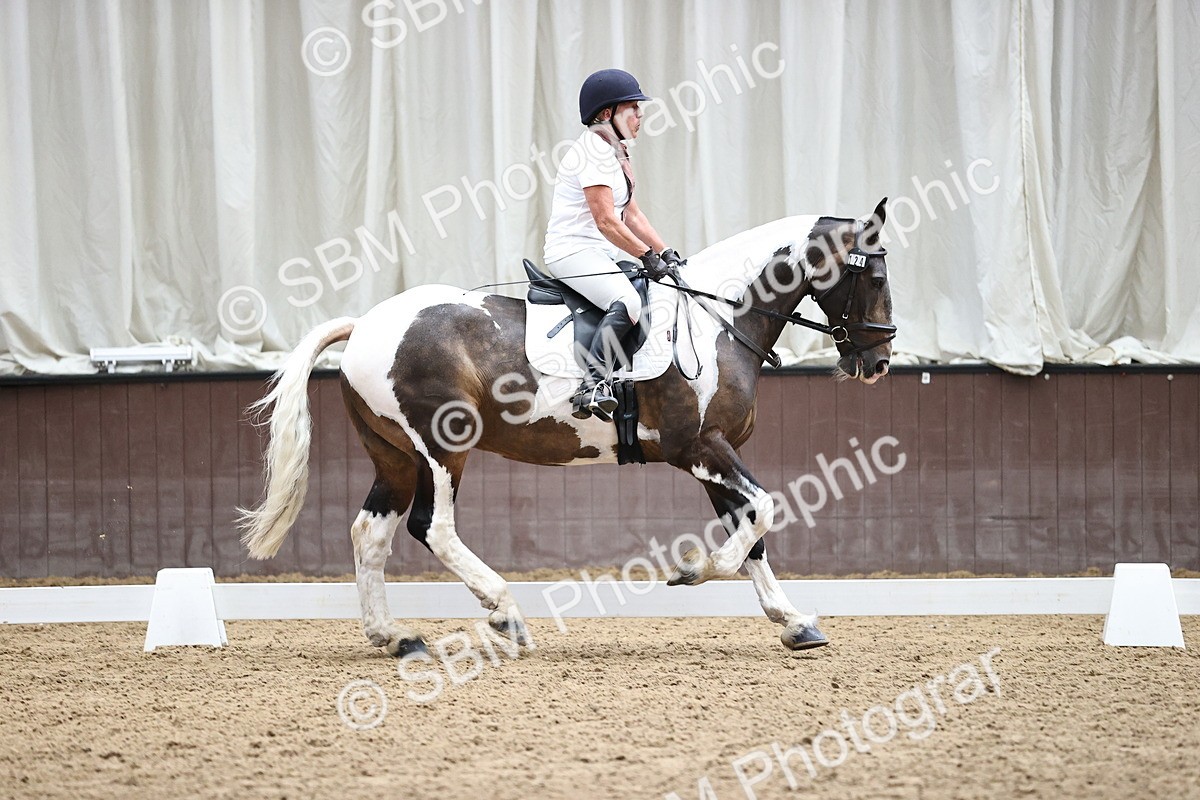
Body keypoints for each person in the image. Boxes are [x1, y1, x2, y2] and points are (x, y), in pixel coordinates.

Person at [543, 68, 685, 421]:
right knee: (627, 301)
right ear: (607, 114)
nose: (640, 116)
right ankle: (590, 385)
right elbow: (606, 220)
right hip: (571, 251)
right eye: (633, 109)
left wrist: (665, 252)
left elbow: (631, 214)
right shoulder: (592, 151)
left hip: (597, 252)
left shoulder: (615, 151)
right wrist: (645, 255)